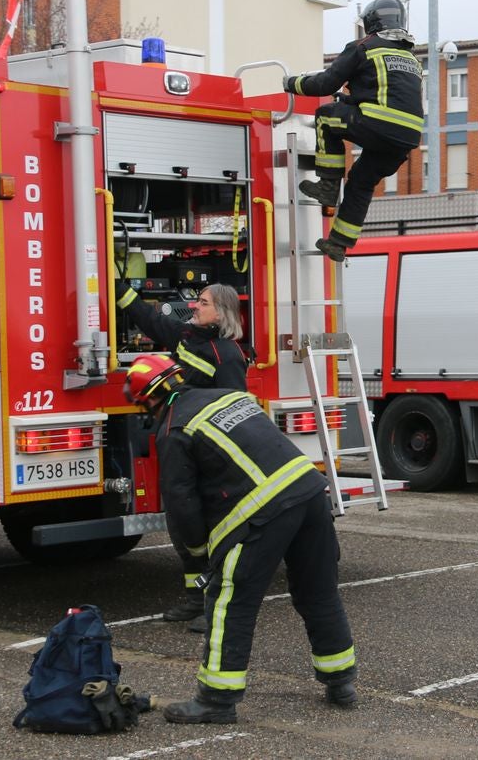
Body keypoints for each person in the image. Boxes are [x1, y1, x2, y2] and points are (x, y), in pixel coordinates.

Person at [124, 355, 358, 723]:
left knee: (229, 600)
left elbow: (182, 505)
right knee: (318, 591)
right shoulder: (227, 396)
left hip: (263, 510)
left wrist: (199, 554)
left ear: (146, 400)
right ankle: (341, 682)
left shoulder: (173, 429)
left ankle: (216, 701)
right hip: (310, 492)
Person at [115, 281, 249, 631]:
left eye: (202, 303)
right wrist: (120, 291)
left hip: (208, 455)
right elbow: (150, 321)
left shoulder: (228, 356)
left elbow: (233, 411)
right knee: (183, 525)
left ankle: (215, 605)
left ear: (220, 312)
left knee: (213, 532)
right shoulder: (188, 337)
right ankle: (195, 598)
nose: (194, 307)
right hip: (181, 450)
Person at [282, 0, 423, 263]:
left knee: (325, 117)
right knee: (361, 182)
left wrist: (292, 83)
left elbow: (325, 84)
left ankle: (327, 186)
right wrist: (346, 101)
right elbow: (386, 94)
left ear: (371, 21)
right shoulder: (410, 58)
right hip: (405, 137)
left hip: (378, 123)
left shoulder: (364, 47)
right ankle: (338, 243)